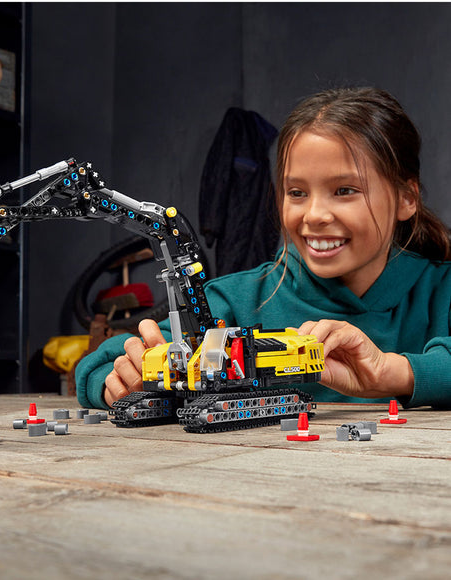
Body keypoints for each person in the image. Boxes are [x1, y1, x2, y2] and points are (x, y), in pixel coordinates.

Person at [75, 87, 451, 411]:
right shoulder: (232, 302)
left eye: (344, 190)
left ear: (406, 198)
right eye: (297, 192)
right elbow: (100, 365)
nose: (314, 215)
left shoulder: (442, 292)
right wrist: (117, 380)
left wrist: (391, 372)